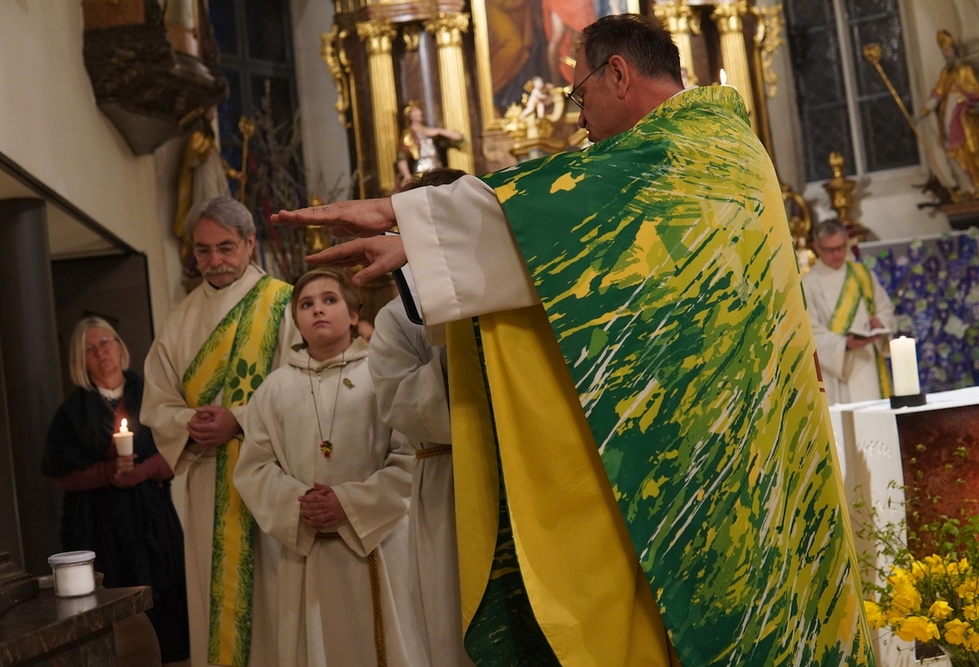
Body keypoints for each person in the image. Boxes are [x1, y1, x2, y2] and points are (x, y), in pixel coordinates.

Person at [274, 13, 874, 667]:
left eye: (579, 91)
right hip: (719, 420)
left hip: (723, 428)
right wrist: (417, 236)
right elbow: (599, 240)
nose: (578, 115)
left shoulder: (688, 150)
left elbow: (571, 209)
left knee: (735, 605)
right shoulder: (726, 148)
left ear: (618, 74)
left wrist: (401, 216)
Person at [233, 268, 425, 667]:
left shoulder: (382, 374)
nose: (318, 309)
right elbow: (254, 469)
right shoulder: (273, 390)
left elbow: (411, 457)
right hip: (306, 551)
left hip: (378, 543)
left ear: (354, 315)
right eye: (306, 304)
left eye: (329, 300)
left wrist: (349, 504)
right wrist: (301, 503)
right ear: (296, 321)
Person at [141, 196, 295, 667]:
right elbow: (158, 401)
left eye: (226, 247)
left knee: (278, 605)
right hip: (208, 483)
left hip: (273, 477)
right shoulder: (179, 319)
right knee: (217, 602)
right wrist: (188, 423)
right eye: (203, 250)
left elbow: (303, 389)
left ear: (250, 243)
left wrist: (239, 420)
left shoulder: (284, 303)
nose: (214, 261)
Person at [368, 168, 474, 667]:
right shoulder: (395, 318)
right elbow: (400, 403)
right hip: (448, 479)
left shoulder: (513, 288)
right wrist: (469, 353)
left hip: (522, 469)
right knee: (456, 618)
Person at [42, 318, 189, 665]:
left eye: (105, 342)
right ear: (80, 361)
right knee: (114, 608)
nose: (100, 353)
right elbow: (62, 472)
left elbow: (178, 451)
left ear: (120, 347)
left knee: (165, 599)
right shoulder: (72, 412)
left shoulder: (151, 395)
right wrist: (109, 473)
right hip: (99, 523)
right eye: (89, 349)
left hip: (151, 518)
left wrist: (141, 472)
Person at [803, 219, 896, 405]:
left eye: (841, 247)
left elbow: (885, 309)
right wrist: (843, 344)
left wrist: (880, 321)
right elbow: (808, 333)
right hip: (836, 368)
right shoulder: (808, 284)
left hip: (869, 363)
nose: (837, 254)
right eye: (830, 250)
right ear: (817, 248)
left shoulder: (862, 274)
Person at [918, 29, 979, 194]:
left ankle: (977, 183)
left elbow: (975, 90)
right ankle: (968, 186)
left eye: (947, 49)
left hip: (966, 115)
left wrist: (972, 103)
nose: (945, 53)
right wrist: (922, 114)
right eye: (943, 51)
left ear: (954, 49)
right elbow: (937, 95)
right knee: (954, 151)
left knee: (972, 148)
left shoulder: (965, 69)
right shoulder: (945, 73)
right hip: (948, 116)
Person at [396, 102, 464, 191]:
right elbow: (402, 157)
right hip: (421, 168)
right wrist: (406, 175)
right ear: (410, 116)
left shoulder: (430, 130)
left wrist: (439, 131)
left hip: (436, 166)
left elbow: (458, 138)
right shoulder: (408, 134)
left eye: (419, 112)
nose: (419, 113)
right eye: (415, 112)